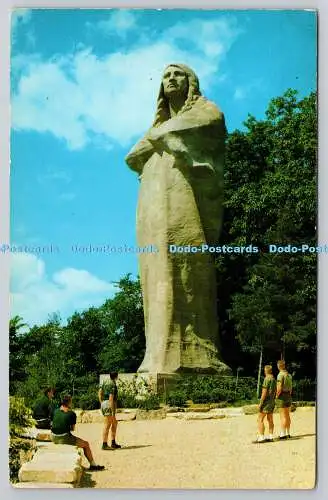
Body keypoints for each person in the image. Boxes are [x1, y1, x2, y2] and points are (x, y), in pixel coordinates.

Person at [125, 63, 230, 374]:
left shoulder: (205, 111)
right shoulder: (160, 126)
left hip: (184, 198)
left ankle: (196, 355)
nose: (171, 79)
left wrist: (164, 138)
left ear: (190, 81)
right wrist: (167, 140)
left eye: (177, 74)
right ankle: (158, 354)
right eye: (166, 76)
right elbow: (132, 156)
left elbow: (213, 122)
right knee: (155, 273)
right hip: (153, 200)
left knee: (186, 268)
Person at [51, 394, 104, 471]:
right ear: (69, 402)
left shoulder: (55, 411)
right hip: (63, 438)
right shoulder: (71, 413)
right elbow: (72, 429)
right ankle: (93, 465)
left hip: (53, 436)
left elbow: (53, 423)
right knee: (86, 444)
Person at [98, 372, 121, 450]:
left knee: (114, 423)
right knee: (107, 424)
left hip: (105, 403)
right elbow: (111, 398)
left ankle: (113, 442)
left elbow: (100, 392)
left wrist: (102, 403)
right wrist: (113, 412)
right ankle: (104, 444)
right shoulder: (112, 384)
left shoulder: (105, 382)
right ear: (116, 376)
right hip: (109, 404)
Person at [256, 365, 277, 443]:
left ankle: (261, 437)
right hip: (272, 401)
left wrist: (261, 403)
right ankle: (271, 436)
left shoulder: (266, 379)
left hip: (266, 402)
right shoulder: (274, 379)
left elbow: (264, 392)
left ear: (265, 371)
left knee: (260, 419)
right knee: (270, 419)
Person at [275, 359, 293, 439]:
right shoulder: (289, 375)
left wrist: (276, 396)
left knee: (282, 416)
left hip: (282, 396)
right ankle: (288, 433)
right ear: (284, 366)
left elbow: (279, 388)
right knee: (287, 415)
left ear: (279, 366)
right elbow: (291, 388)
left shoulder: (280, 375)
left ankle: (282, 434)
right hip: (288, 395)